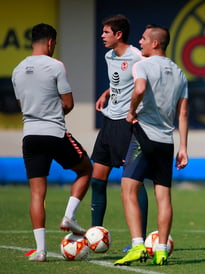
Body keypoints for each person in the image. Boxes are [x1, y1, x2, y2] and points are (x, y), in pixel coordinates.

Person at [11, 23, 92, 262]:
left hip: (30, 135)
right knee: (86, 169)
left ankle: (41, 251)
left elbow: (21, 106)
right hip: (54, 132)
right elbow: (68, 103)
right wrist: (52, 112)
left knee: (37, 194)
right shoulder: (56, 66)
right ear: (50, 42)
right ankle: (69, 217)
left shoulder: (17, 70)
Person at [113, 24, 188, 266]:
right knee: (163, 196)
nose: (140, 42)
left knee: (128, 188)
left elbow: (140, 88)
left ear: (155, 43)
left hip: (144, 134)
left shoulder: (142, 65)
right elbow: (183, 114)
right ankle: (162, 249)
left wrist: (131, 111)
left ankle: (137, 245)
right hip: (167, 141)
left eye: (144, 39)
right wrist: (183, 147)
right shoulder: (179, 73)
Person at [90, 14, 148, 244]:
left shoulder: (138, 57)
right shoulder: (108, 56)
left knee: (134, 183)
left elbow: (144, 83)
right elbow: (118, 83)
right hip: (108, 123)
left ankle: (140, 238)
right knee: (97, 179)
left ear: (118, 34)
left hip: (127, 125)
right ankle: (94, 235)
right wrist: (107, 93)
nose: (102, 36)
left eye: (106, 32)